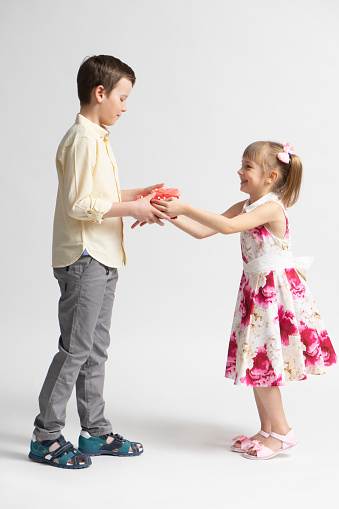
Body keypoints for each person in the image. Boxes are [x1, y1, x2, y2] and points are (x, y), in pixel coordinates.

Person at [150, 141, 337, 460]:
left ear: (271, 176)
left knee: (266, 362)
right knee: (255, 360)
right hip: (255, 290)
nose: (240, 171)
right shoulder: (246, 204)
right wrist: (167, 213)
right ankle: (267, 429)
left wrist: (186, 207)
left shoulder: (271, 207)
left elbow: (228, 226)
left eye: (248, 166)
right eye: (242, 164)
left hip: (273, 292)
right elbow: (204, 231)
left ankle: (282, 432)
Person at [29, 55, 169, 469]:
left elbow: (99, 192)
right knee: (75, 349)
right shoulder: (83, 139)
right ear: (100, 92)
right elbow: (79, 204)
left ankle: (94, 432)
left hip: (103, 256)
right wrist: (131, 210)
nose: (125, 106)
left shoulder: (97, 137)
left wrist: (137, 196)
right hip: (84, 256)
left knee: (95, 350)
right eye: (122, 98)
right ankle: (46, 437)